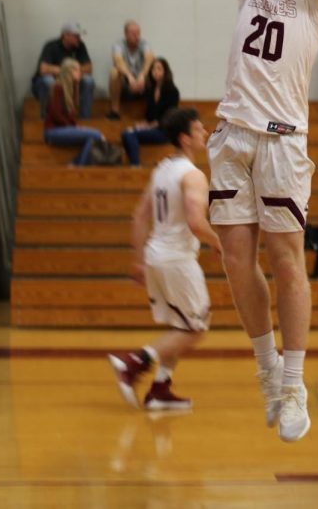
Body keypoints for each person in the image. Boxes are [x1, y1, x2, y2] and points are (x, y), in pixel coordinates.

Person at [207, 0, 318, 443]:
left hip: (283, 141)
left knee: (286, 261)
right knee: (234, 259)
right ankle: (265, 372)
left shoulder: (315, 1)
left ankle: (294, 385)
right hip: (232, 136)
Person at [107, 107, 221, 411]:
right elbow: (197, 222)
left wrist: (138, 260)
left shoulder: (161, 169)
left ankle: (160, 388)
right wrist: (219, 243)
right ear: (185, 138)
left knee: (180, 327)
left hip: (156, 256)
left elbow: (139, 215)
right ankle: (133, 362)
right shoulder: (192, 175)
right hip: (177, 260)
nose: (205, 133)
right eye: (199, 130)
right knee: (196, 329)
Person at [44, 58, 105, 165]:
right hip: (53, 131)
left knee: (93, 137)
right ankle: (78, 165)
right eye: (76, 70)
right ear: (68, 71)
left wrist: (76, 127)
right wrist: (72, 127)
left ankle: (76, 164)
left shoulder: (71, 89)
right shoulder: (58, 87)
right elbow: (55, 114)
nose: (80, 73)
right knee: (96, 135)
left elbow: (69, 116)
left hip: (63, 129)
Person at [121, 58, 180, 166]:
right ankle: (135, 165)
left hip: (164, 131)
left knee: (129, 135)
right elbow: (149, 115)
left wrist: (153, 124)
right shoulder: (150, 90)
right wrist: (142, 124)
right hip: (152, 128)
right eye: (153, 69)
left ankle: (135, 166)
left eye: (159, 69)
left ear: (165, 72)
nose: (155, 71)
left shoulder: (172, 91)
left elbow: (171, 116)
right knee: (126, 133)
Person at [31, 21, 94, 119]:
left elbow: (89, 68)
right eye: (76, 36)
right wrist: (67, 70)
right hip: (46, 83)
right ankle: (46, 119)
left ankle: (85, 118)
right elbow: (43, 69)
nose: (79, 38)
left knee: (88, 81)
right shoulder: (51, 46)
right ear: (65, 35)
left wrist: (74, 71)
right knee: (49, 81)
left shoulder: (80, 46)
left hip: (70, 82)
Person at [107, 21, 154, 120]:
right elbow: (118, 60)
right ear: (126, 34)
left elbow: (149, 58)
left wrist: (142, 75)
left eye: (138, 33)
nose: (137, 36)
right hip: (126, 82)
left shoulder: (144, 43)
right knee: (114, 72)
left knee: (155, 69)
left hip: (142, 81)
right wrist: (129, 77)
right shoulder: (118, 45)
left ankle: (153, 110)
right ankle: (115, 111)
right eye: (133, 34)